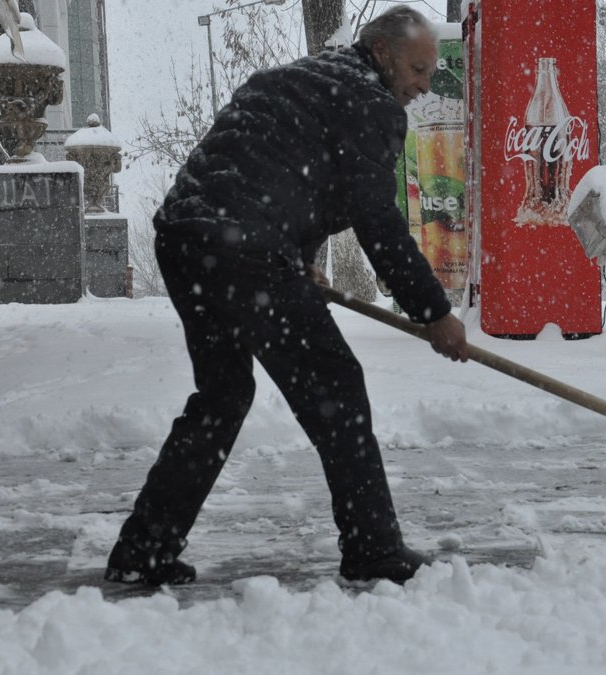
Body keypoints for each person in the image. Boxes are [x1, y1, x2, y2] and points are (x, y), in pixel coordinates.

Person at [105, 6, 468, 586]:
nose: (424, 86)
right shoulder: (370, 103)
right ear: (380, 53)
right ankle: (373, 549)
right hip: (242, 249)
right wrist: (433, 313)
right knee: (337, 390)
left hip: (187, 239)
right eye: (418, 69)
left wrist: (297, 261)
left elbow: (284, 175)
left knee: (223, 396)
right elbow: (376, 220)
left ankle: (142, 550)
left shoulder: (299, 81)